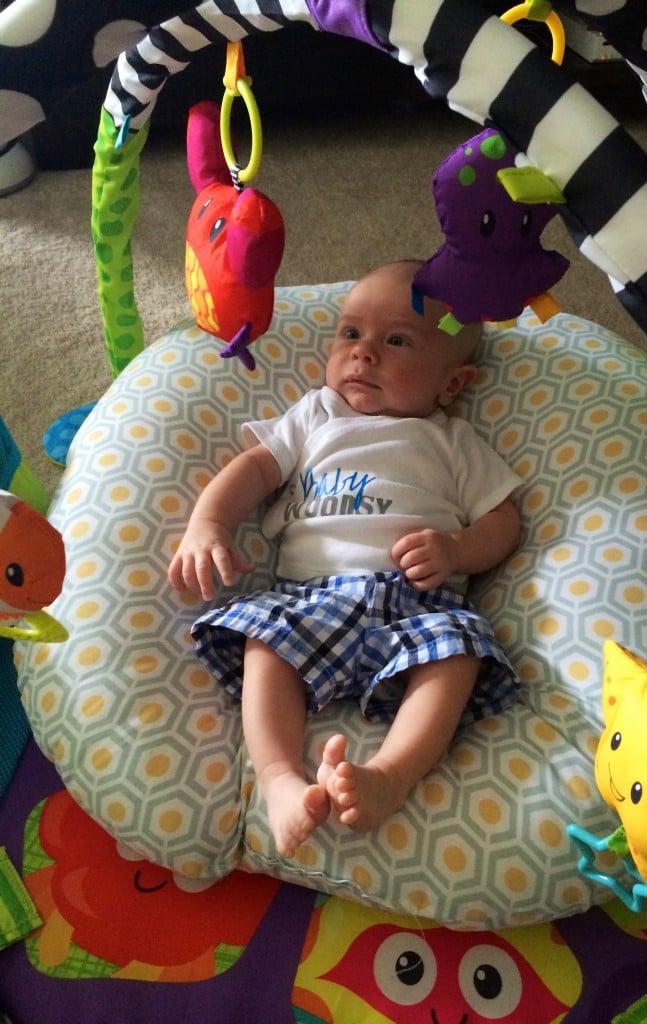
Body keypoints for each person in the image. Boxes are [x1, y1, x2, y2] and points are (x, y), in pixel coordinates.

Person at [168, 259, 523, 857]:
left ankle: (390, 775)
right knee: (264, 641)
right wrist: (208, 522)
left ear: (451, 383)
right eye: (351, 334)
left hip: (415, 602)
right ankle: (280, 780)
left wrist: (458, 548)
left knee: (459, 652)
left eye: (397, 341)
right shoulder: (316, 414)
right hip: (311, 594)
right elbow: (255, 468)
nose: (363, 355)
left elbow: (504, 521)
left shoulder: (451, 440)